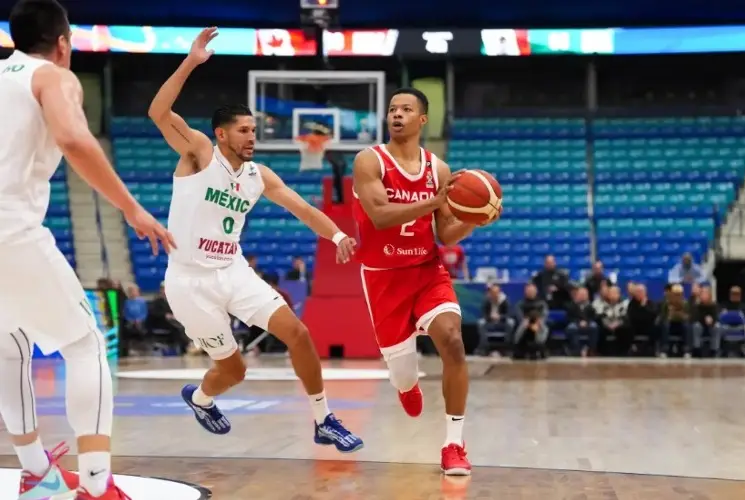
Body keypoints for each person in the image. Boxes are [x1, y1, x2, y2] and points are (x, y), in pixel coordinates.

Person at [147, 28, 362, 452]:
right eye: (244, 130)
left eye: (253, 129)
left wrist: (336, 234)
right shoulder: (199, 153)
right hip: (189, 282)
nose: (252, 136)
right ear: (222, 133)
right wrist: (191, 60)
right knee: (234, 372)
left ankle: (323, 420)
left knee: (298, 334)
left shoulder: (258, 175)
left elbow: (302, 208)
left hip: (234, 271)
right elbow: (158, 111)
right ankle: (202, 398)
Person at [0, 1, 174, 499]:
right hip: (10, 228)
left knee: (8, 346)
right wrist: (133, 209)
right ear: (62, 43)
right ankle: (97, 487)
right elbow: (74, 139)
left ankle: (37, 473)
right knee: (85, 344)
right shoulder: (53, 77)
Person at [352, 87, 498, 475]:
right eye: (392, 109)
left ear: (422, 120)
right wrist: (436, 202)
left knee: (452, 340)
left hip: (426, 272)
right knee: (401, 375)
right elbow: (381, 216)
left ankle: (454, 444)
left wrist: (474, 217)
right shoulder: (370, 161)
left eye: (405, 109)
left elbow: (445, 234)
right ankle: (406, 384)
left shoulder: (440, 170)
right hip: (383, 280)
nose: (396, 114)